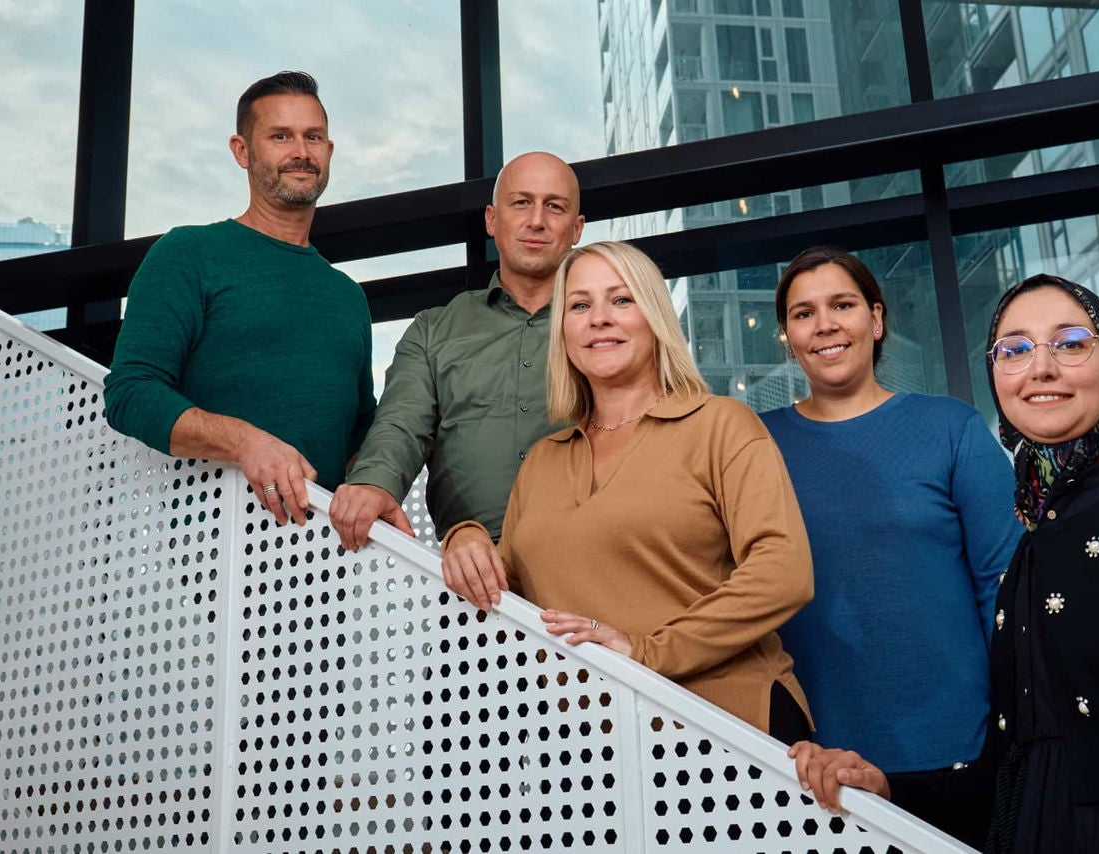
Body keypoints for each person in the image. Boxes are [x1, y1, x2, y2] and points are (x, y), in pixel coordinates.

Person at [795, 273, 1099, 854]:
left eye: (1071, 342)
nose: (1041, 368)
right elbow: (1013, 774)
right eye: (1015, 350)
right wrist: (889, 788)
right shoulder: (1030, 552)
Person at [440, 241, 815, 741]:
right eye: (579, 305)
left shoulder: (721, 424)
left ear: (654, 316)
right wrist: (462, 537)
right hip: (589, 746)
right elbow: (507, 591)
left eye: (621, 300)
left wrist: (644, 654)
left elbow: (784, 574)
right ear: (564, 332)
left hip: (727, 730)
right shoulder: (544, 460)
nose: (599, 319)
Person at [761, 246, 1021, 847]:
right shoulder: (756, 444)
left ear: (876, 320)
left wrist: (1013, 731)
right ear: (788, 338)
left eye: (842, 305)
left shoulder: (950, 428)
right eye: (804, 313)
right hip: (811, 760)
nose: (824, 324)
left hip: (957, 752)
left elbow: (1003, 587)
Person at [104, 71, 375, 525]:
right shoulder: (189, 253)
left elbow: (360, 436)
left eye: (313, 137)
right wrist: (246, 442)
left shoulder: (347, 297)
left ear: (329, 151)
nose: (301, 152)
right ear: (242, 151)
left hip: (325, 569)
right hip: (207, 557)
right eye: (280, 136)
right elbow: (130, 394)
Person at [330, 151, 584, 551]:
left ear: (576, 228)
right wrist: (373, 483)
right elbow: (401, 424)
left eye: (555, 206)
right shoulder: (433, 330)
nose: (537, 220)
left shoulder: (605, 327)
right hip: (471, 570)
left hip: (587, 556)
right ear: (492, 220)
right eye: (521, 203)